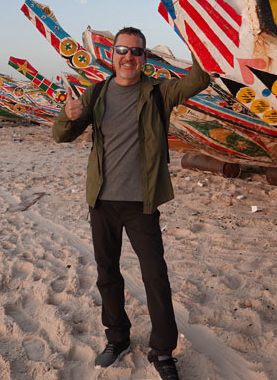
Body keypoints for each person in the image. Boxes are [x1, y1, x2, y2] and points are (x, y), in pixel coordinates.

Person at [52, 27, 210, 380]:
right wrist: (70, 115)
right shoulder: (95, 94)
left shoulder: (158, 93)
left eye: (136, 52)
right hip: (102, 202)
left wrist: (204, 38)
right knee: (107, 274)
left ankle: (163, 350)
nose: (129, 57)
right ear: (112, 55)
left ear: (144, 59)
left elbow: (199, 78)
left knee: (155, 275)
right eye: (122, 50)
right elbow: (61, 135)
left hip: (142, 203)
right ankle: (117, 339)